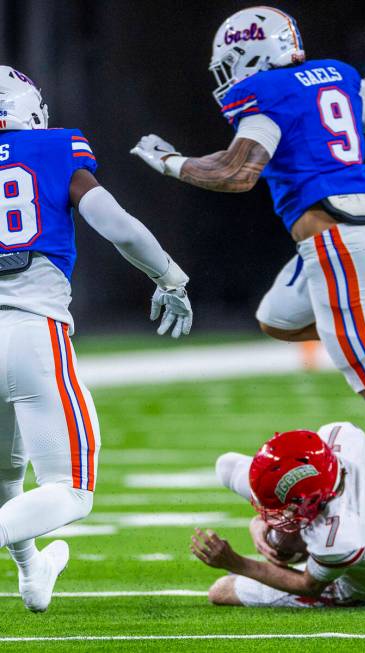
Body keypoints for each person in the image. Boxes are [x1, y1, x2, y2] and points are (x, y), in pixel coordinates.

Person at [131, 6, 365, 562]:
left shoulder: (266, 93)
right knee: (277, 319)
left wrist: (171, 163)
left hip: (336, 246)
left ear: (250, 55)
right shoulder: (334, 74)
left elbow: (239, 173)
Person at [0, 66, 192, 612]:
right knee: (71, 490)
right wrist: (170, 277)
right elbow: (119, 225)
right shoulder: (56, 148)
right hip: (32, 331)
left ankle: (32, 572)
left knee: (7, 479)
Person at [191, 423, 365, 608]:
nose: (275, 516)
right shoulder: (340, 435)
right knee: (280, 541)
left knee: (221, 590)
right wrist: (259, 522)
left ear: (312, 500)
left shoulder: (343, 535)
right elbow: (227, 466)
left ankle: (327, 570)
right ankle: (297, 548)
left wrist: (237, 563)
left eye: (285, 508)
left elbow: (308, 585)